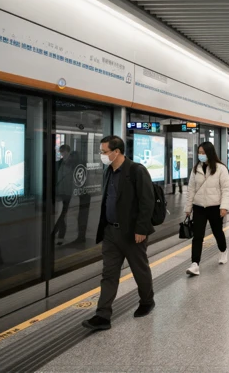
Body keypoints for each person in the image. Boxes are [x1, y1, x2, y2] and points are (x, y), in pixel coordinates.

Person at [82, 136, 155, 331]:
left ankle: (147, 301)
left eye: (104, 152)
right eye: (101, 152)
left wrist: (141, 229)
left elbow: (147, 201)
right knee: (109, 274)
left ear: (117, 152)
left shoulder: (136, 170)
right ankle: (102, 315)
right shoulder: (108, 172)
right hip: (110, 233)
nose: (102, 156)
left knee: (139, 270)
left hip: (132, 233)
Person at [184, 142, 229, 276]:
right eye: (199, 152)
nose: (201, 155)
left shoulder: (220, 169)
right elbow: (191, 189)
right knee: (197, 236)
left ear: (210, 153)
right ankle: (195, 264)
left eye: (203, 153)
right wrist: (188, 208)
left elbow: (226, 189)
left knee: (217, 232)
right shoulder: (196, 169)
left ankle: (223, 251)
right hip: (199, 207)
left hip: (215, 207)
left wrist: (224, 207)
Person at [54, 144, 75, 246]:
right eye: (61, 152)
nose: (62, 154)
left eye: (63, 152)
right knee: (60, 214)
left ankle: (56, 234)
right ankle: (60, 235)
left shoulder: (73, 163)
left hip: (67, 192)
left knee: (62, 214)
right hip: (60, 190)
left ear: (68, 151)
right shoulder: (60, 163)